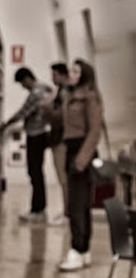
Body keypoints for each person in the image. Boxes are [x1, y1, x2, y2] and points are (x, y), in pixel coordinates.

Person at [58, 59, 104, 271]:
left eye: (75, 71)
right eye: (70, 70)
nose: (71, 74)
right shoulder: (70, 95)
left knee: (78, 204)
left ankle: (77, 249)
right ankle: (83, 250)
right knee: (81, 203)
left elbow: (95, 131)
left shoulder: (90, 98)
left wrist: (81, 160)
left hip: (81, 151)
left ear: (84, 74)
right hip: (71, 149)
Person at [0, 67, 53, 223]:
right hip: (40, 133)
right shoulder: (45, 88)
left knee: (34, 172)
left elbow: (23, 112)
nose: (23, 86)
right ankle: (39, 208)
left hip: (36, 135)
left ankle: (38, 210)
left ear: (27, 78)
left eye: (22, 83)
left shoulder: (36, 93)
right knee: (36, 172)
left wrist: (5, 125)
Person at [43, 63, 70, 225]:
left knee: (63, 178)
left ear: (61, 75)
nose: (52, 78)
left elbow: (60, 117)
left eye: (54, 75)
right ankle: (66, 211)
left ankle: (67, 213)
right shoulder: (60, 92)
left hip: (61, 140)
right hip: (57, 139)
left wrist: (46, 109)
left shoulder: (64, 93)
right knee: (62, 178)